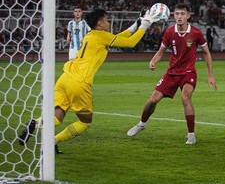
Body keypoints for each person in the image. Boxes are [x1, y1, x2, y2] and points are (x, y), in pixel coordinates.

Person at [18, 8, 158, 152]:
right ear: (100, 23)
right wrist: (145, 25)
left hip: (64, 79)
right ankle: (53, 141)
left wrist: (136, 25)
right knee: (85, 122)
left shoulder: (91, 35)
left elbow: (118, 39)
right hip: (79, 82)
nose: (109, 22)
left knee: (57, 117)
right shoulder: (101, 36)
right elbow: (130, 43)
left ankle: (35, 123)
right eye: (107, 20)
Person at [127, 4, 217, 144]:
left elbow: (206, 53)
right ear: (173, 16)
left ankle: (191, 135)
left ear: (188, 16)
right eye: (177, 14)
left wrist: (211, 75)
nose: (179, 16)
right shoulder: (169, 32)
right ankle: (142, 124)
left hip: (188, 73)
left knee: (185, 98)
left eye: (182, 14)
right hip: (171, 73)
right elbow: (162, 51)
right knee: (152, 101)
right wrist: (153, 61)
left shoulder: (196, 33)